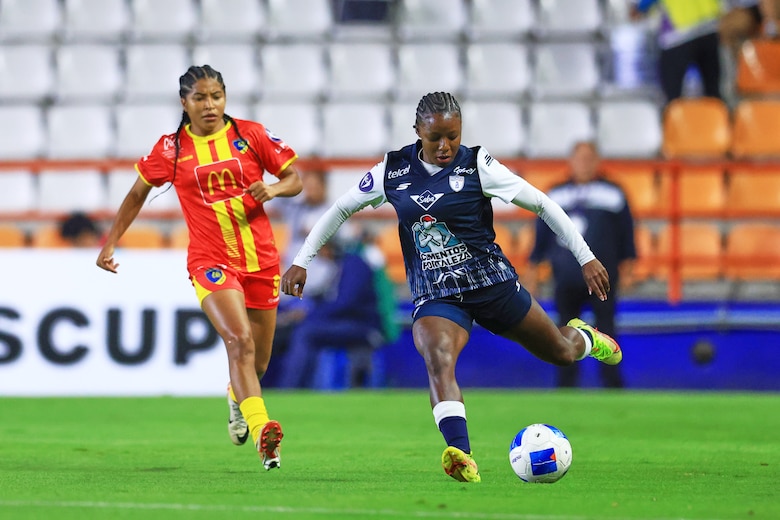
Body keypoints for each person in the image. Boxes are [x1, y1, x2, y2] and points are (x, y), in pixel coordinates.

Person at [281, 92, 622, 483]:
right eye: (435, 137)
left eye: (453, 136)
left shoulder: (478, 165)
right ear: (417, 132)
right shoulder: (392, 171)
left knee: (560, 353)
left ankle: (584, 338)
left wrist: (586, 257)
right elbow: (341, 208)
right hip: (435, 293)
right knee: (437, 358)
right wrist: (301, 260)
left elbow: (543, 204)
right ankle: (460, 452)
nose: (445, 146)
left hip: (491, 283)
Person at [96, 65, 303, 471]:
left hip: (261, 261)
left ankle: (236, 396)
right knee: (238, 340)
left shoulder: (251, 135)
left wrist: (275, 188)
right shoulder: (170, 149)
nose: (209, 105)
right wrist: (111, 242)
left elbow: (294, 178)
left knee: (258, 363)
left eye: (216, 97)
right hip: (211, 261)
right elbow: (137, 193)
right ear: (184, 103)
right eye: (200, 98)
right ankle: (264, 432)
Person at [527, 141, 637, 389]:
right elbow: (542, 236)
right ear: (571, 162)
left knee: (607, 330)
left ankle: (612, 385)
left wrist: (629, 267)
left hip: (603, 278)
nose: (584, 164)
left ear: (597, 162)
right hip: (565, 276)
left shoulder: (613, 193)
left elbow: (626, 234)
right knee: (563, 330)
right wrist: (533, 270)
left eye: (589, 159)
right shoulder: (555, 194)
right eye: (580, 159)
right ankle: (566, 385)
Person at [277, 237, 387, 389]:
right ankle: (292, 385)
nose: (319, 254)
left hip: (362, 325)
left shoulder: (354, 265)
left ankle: (290, 388)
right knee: (294, 330)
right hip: (345, 322)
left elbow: (345, 303)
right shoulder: (340, 266)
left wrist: (309, 314)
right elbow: (325, 297)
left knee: (305, 332)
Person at [631, 0, 723, 103]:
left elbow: (644, 4)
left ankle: (674, 117)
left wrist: (639, 8)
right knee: (712, 92)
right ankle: (717, 117)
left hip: (678, 34)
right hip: (708, 27)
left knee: (672, 95)